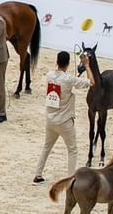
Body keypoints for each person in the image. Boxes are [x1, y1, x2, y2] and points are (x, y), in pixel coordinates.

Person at [32, 51, 95, 184]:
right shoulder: (69, 79)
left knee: (46, 147)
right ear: (67, 64)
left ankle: (38, 174)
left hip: (50, 119)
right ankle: (70, 179)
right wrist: (87, 66)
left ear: (57, 61)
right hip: (65, 121)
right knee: (72, 150)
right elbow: (91, 82)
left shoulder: (49, 75)